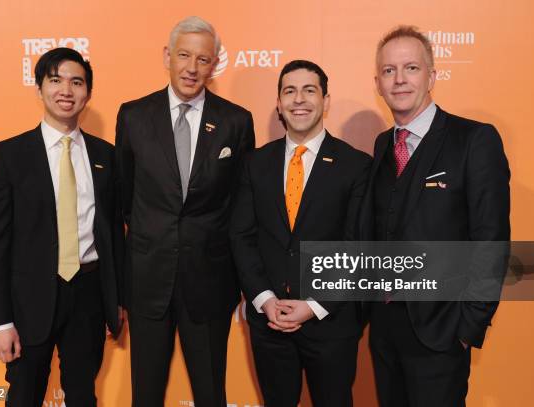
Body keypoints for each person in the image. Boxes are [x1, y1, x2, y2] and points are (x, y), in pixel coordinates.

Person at [359, 25, 510, 406]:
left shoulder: (474, 140)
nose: (400, 79)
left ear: (432, 75)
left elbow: (490, 240)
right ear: (377, 83)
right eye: (389, 71)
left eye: (411, 68)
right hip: (385, 330)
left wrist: (467, 327)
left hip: (442, 333)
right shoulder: (382, 145)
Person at [115, 16, 255, 407]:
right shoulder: (133, 116)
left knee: (211, 393)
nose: (192, 68)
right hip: (147, 281)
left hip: (209, 282)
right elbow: (125, 197)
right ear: (167, 57)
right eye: (183, 56)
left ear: (215, 64)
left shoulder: (236, 121)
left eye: (203, 59)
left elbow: (239, 206)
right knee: (145, 394)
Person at [0, 47, 124, 407]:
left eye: (77, 82)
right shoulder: (8, 155)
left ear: (88, 93)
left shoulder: (106, 156)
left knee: (82, 395)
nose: (66, 90)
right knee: (25, 396)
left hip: (88, 294)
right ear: (39, 88)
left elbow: (113, 237)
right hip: (28, 300)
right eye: (56, 80)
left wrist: (115, 300)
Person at [230, 60, 371, 407]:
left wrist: (313, 306)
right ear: (278, 103)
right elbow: (241, 236)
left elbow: (358, 246)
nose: (299, 100)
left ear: (325, 100)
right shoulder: (255, 163)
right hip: (270, 322)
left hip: (331, 322)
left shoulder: (356, 166)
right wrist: (264, 300)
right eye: (289, 91)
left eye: (309, 90)